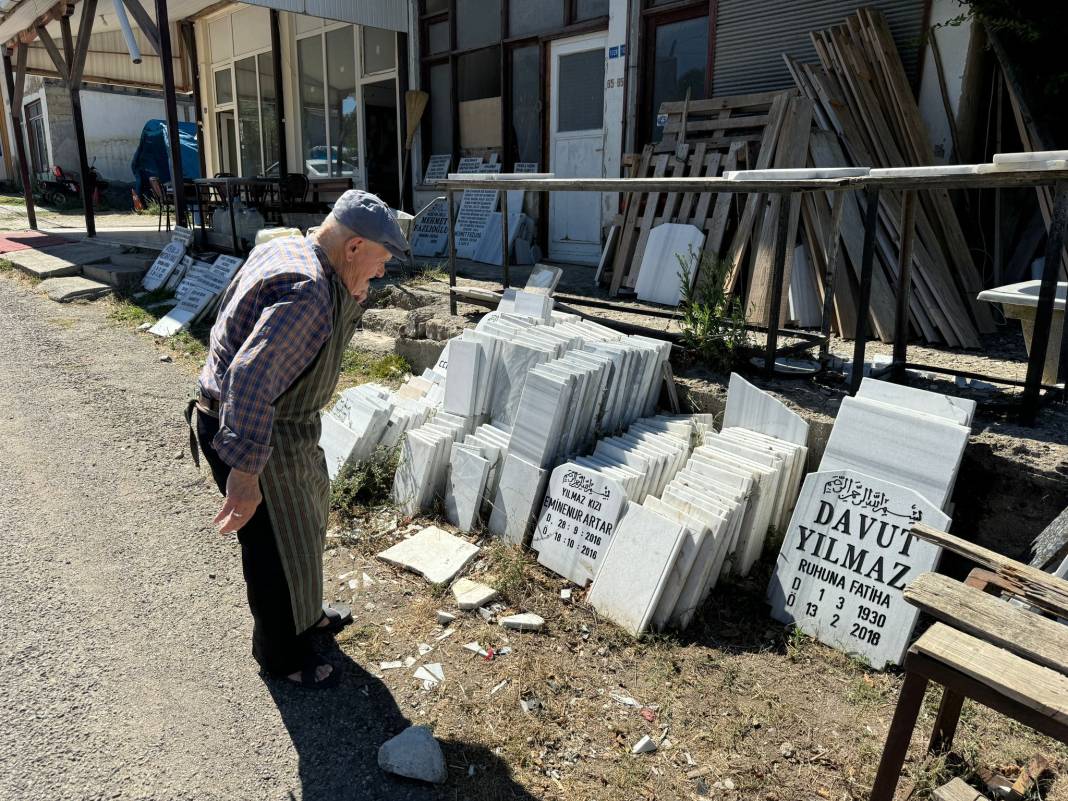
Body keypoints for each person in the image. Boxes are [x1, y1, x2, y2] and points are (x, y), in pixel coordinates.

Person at [189, 190, 409, 688]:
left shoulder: (292, 247)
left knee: (305, 520)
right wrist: (244, 477)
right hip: (252, 424)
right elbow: (248, 380)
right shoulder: (308, 292)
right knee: (271, 549)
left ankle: (306, 615)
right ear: (353, 247)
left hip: (284, 422)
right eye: (380, 261)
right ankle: (281, 657)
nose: (380, 273)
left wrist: (349, 298)